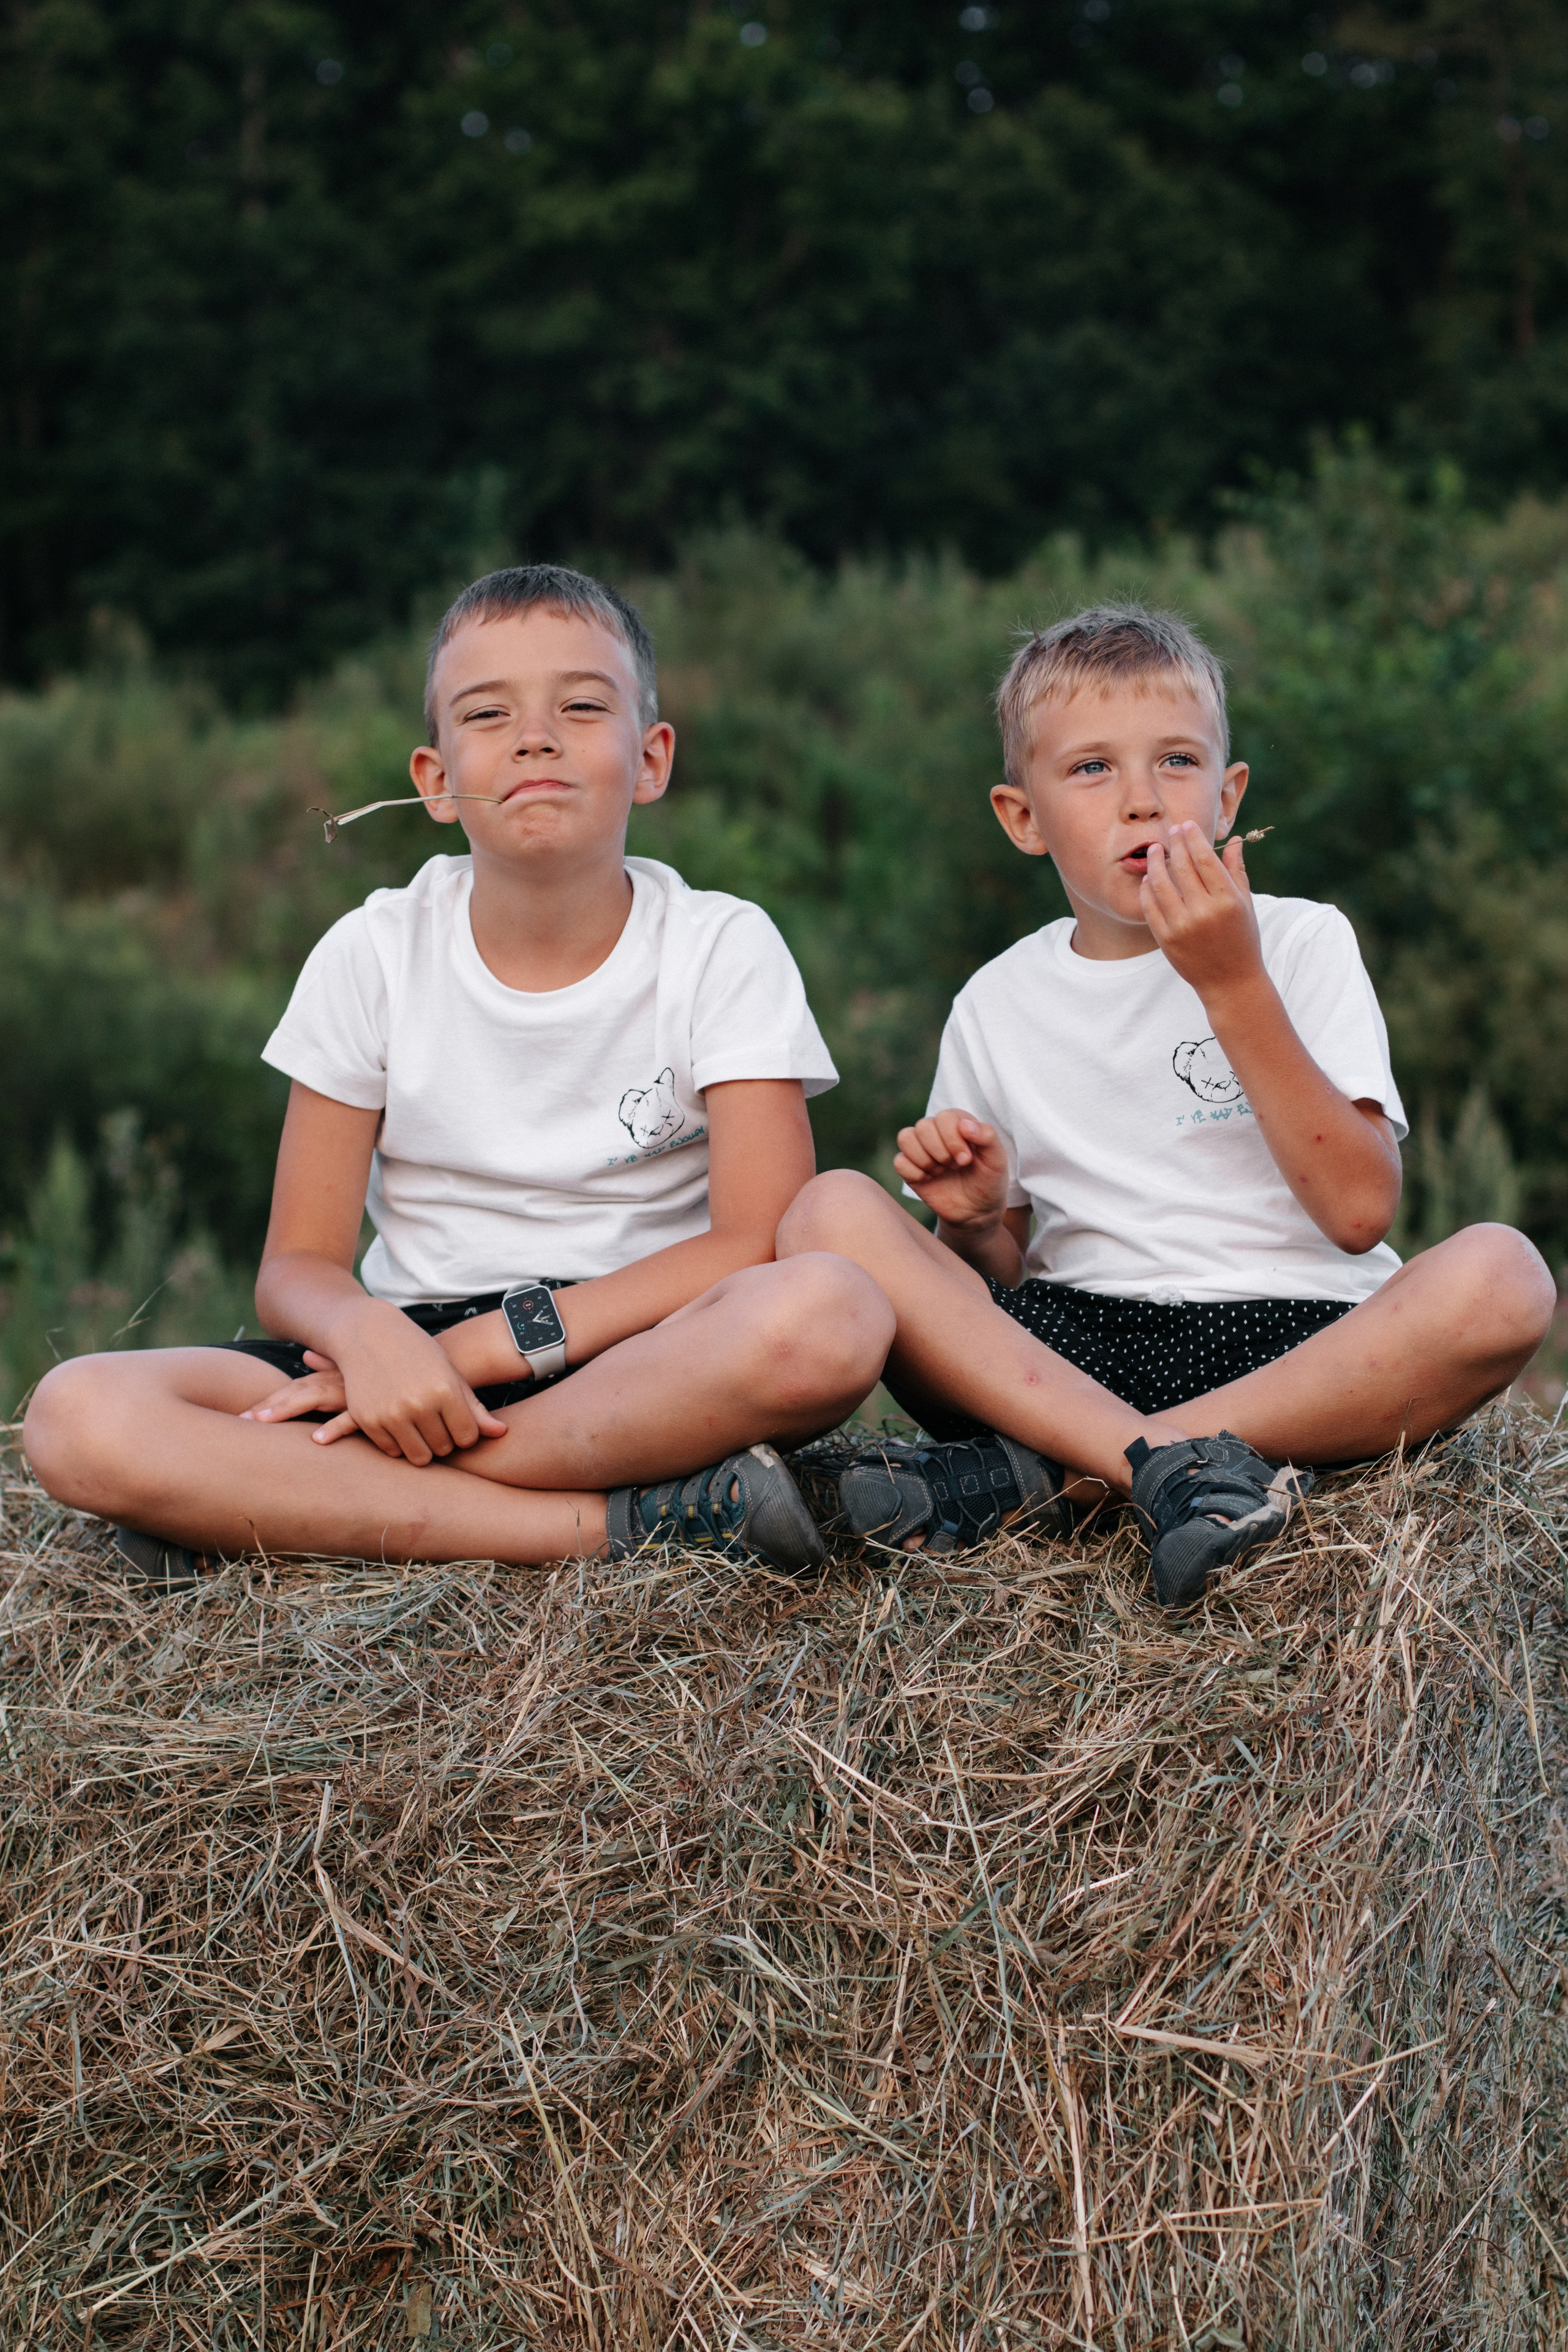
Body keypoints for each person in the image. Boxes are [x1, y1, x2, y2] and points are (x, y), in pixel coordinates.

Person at [24, 565, 893, 1582]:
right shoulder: (374, 951)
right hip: (398, 1354)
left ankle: (325, 1498)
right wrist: (370, 1341)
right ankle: (617, 1528)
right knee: (76, 1417)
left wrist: (482, 1352)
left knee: (830, 1313)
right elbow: (295, 1266)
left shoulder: (722, 946)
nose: (536, 736)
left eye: (581, 705)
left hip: (638, 1358)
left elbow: (756, 1239)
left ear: (650, 759)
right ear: (435, 781)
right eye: (489, 714)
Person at [779, 604, 1555, 1606]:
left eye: (1177, 762)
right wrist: (971, 1221)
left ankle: (1095, 1474)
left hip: (1299, 1348)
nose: (1142, 802)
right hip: (1071, 1356)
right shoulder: (998, 1001)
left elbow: (1359, 1214)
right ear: (1023, 817)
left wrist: (1232, 984)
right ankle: (1152, 1463)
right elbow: (998, 1277)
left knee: (1507, 1276)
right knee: (826, 1212)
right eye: (1093, 770)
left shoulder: (1299, 942)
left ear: (1228, 797)